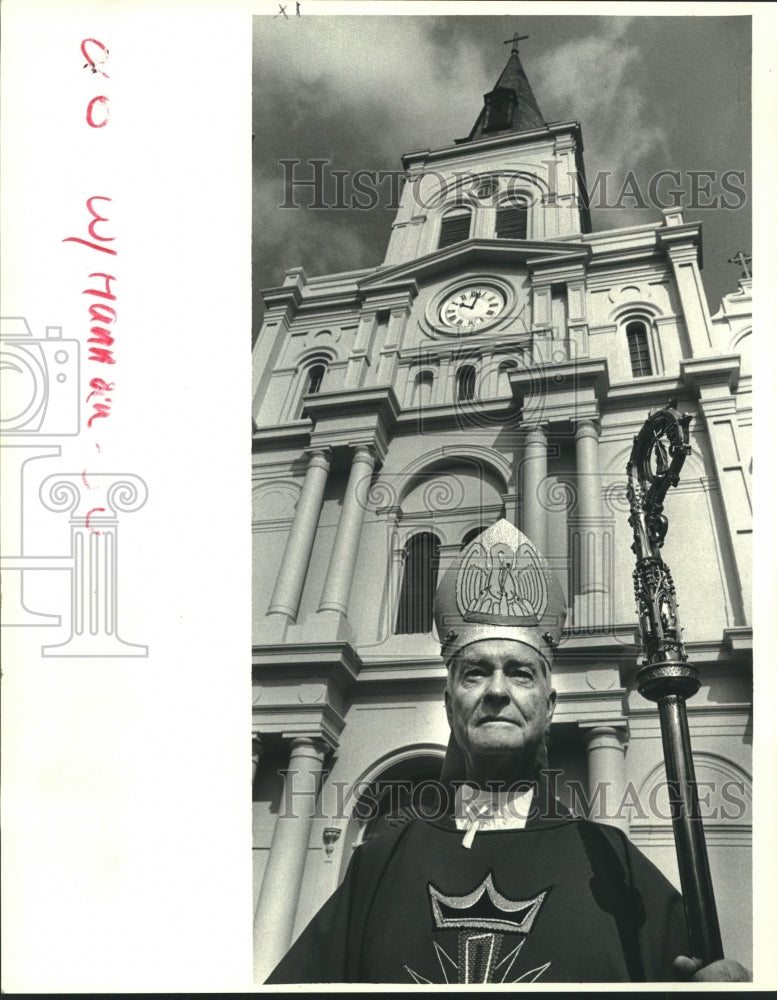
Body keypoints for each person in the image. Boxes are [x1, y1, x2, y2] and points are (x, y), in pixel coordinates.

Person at [266, 520, 750, 984]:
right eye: (476, 672)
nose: (497, 690)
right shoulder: (380, 862)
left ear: (549, 706)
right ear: (448, 703)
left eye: (520, 673)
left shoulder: (614, 863)